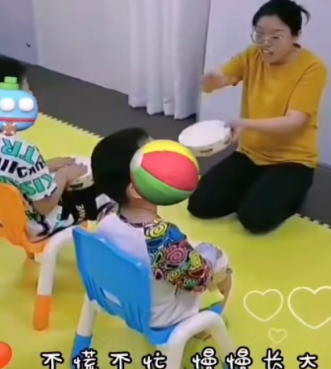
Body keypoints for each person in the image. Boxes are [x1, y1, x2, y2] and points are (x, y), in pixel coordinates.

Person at [188, 0, 328, 234]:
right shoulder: (252, 55)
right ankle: (260, 188)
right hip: (250, 155)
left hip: (292, 161)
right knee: (200, 205)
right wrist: (213, 81)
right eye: (260, 34)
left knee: (254, 219)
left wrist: (246, 124)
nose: (265, 43)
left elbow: (295, 122)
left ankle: (292, 191)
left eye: (276, 37)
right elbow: (226, 76)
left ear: (296, 36)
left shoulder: (312, 68)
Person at [91, 128, 232, 329]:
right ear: (136, 188)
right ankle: (207, 320)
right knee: (217, 257)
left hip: (119, 299)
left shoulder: (106, 218)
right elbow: (199, 279)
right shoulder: (162, 239)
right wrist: (210, 258)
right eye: (153, 158)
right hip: (160, 316)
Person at [0, 56, 111, 241]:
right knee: (107, 190)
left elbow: (4, 173)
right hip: (36, 226)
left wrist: (43, 167)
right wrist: (63, 176)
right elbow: (45, 206)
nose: (31, 93)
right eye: (26, 88)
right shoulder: (25, 154)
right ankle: (115, 244)